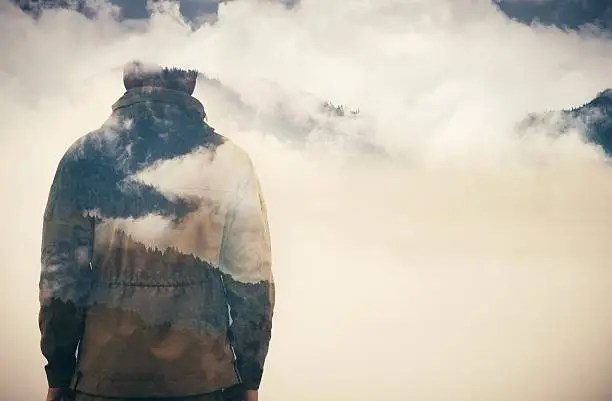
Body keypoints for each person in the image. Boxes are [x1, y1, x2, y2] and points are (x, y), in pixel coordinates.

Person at [39, 61, 275, 401]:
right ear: (191, 79)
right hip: (203, 380)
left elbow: (60, 281)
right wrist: (250, 376)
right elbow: (252, 282)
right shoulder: (231, 160)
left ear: (128, 76)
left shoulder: (83, 157)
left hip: (103, 379)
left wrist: (59, 372)